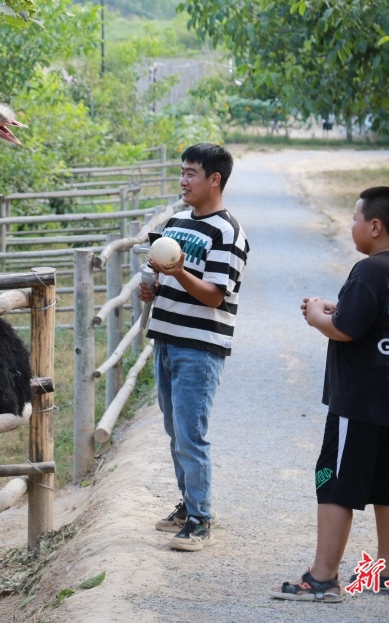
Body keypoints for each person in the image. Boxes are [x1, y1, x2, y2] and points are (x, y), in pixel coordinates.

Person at [270, 186, 389, 602]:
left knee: (332, 482)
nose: (350, 225)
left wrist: (317, 315)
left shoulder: (368, 270)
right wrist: (338, 307)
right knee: (388, 485)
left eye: (354, 218)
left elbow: (346, 329)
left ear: (373, 226)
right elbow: (371, 318)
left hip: (358, 402)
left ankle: (322, 578)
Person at [138, 143, 249, 552]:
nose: (183, 181)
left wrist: (179, 271)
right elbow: (162, 277)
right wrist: (152, 288)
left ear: (214, 179)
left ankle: (200, 519)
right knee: (174, 430)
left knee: (191, 433)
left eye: (191, 174)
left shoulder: (228, 233)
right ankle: (189, 505)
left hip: (200, 347)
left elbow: (215, 296)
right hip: (166, 339)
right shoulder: (177, 221)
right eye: (182, 172)